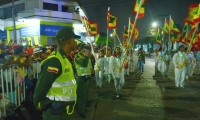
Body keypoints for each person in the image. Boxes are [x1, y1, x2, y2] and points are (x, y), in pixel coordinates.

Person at [33, 27, 80, 120]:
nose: (76, 42)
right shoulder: (55, 61)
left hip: (65, 110)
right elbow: (42, 85)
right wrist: (38, 102)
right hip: (56, 112)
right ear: (70, 41)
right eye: (74, 39)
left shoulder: (64, 59)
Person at [74, 44, 92, 118]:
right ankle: (80, 111)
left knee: (85, 95)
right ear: (81, 50)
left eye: (88, 50)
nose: (87, 51)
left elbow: (89, 66)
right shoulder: (78, 57)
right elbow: (84, 65)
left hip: (87, 77)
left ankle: (83, 108)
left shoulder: (85, 57)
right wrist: (87, 56)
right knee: (81, 96)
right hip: (81, 79)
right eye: (86, 50)